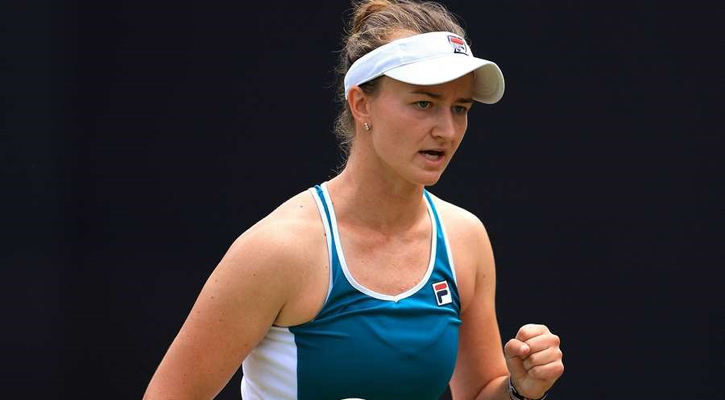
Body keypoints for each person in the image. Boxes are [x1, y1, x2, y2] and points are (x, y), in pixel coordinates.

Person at [143, 0, 564, 399]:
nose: (447, 131)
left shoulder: (464, 239)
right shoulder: (278, 249)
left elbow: (478, 391)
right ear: (362, 104)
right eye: (424, 103)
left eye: (460, 108)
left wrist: (519, 389)